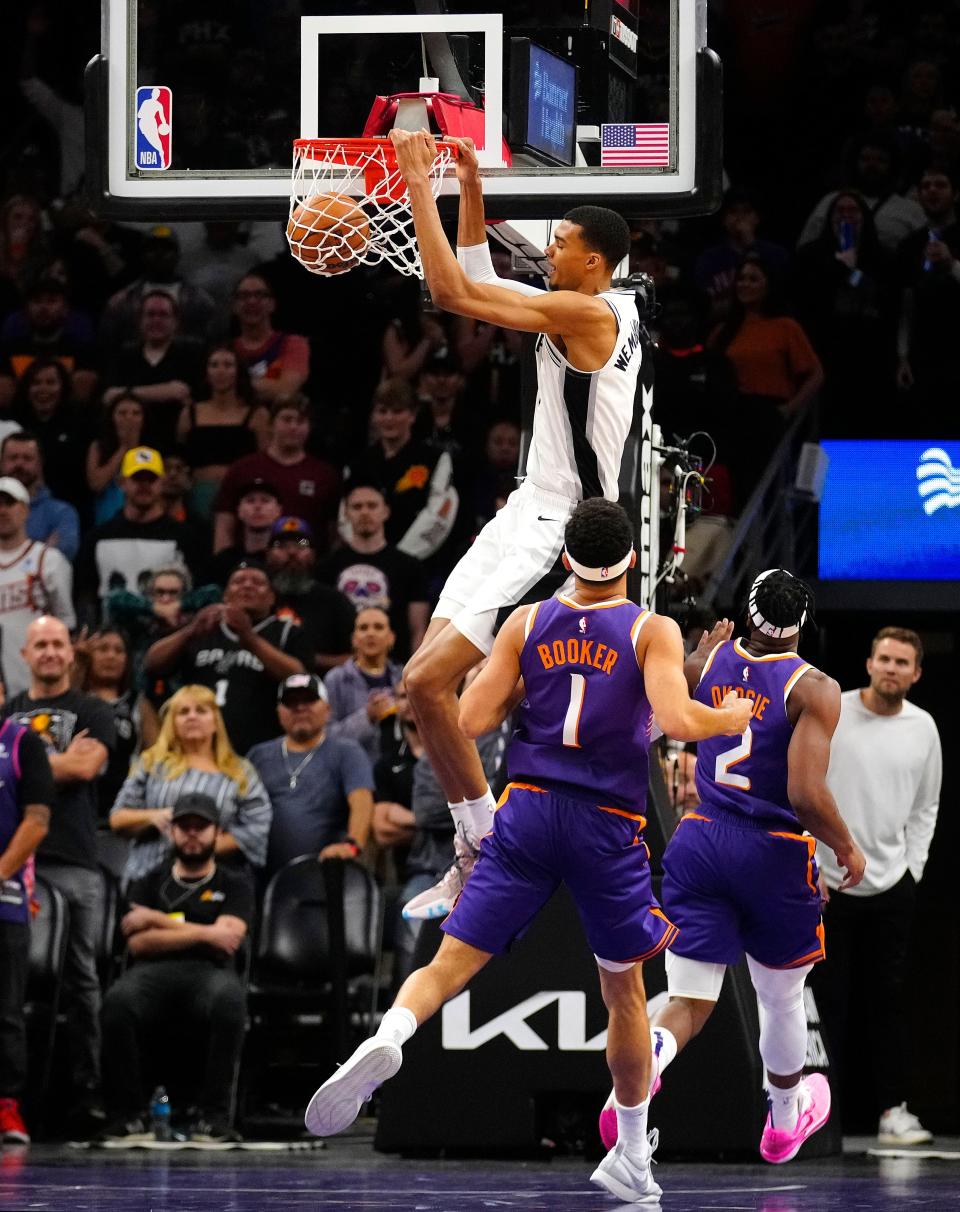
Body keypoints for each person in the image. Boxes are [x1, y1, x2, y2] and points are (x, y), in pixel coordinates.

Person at [303, 499, 753, 1205]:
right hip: (605, 826)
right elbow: (675, 721)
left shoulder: (527, 620)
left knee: (450, 961)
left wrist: (524, 693)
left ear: (565, 557)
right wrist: (728, 714)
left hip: (529, 810)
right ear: (632, 558)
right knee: (625, 995)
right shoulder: (649, 627)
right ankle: (631, 1155)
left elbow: (470, 719)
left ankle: (390, 1033)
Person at [386, 131, 649, 921]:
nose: (549, 250)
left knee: (427, 685)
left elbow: (454, 294)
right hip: (525, 507)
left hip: (563, 529)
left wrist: (416, 187)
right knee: (419, 686)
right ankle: (480, 839)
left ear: (592, 263)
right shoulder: (625, 297)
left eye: (561, 244)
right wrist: (469, 186)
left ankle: (481, 850)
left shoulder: (583, 313)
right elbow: (482, 275)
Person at [598, 570, 866, 1167]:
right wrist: (844, 845)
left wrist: (696, 657)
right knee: (781, 998)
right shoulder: (814, 688)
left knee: (688, 995)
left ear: (746, 615)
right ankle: (785, 1121)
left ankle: (633, 1086)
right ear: (803, 624)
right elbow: (803, 793)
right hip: (771, 849)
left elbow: (655, 700)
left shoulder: (708, 661)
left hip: (701, 837)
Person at [814, 627, 941, 1146]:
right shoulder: (834, 711)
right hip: (827, 884)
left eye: (901, 662)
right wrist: (812, 865)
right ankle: (823, 1118)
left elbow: (926, 806)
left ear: (916, 673)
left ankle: (892, 1112)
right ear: (868, 663)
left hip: (892, 887)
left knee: (886, 1002)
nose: (891, 668)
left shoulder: (924, 729)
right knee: (825, 1002)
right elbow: (805, 784)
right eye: (884, 658)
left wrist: (912, 869)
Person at [3, 616, 116, 1122]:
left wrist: (24, 762)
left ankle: (86, 1090)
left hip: (71, 862)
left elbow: (86, 767)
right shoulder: (9, 710)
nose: (49, 652)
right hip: (13, 865)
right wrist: (58, 760)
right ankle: (21, 1097)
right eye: (39, 645)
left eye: (57, 644)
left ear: (72, 654)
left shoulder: (94, 709)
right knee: (9, 983)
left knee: (81, 979)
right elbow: (67, 766)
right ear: (23, 655)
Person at [99, 792, 253, 1143]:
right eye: (185, 826)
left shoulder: (234, 883)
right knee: (117, 1002)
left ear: (217, 832)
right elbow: (138, 943)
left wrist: (156, 920)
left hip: (210, 973)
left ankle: (212, 1117)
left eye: (201, 827)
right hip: (152, 971)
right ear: (172, 832)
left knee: (230, 1002)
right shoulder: (150, 880)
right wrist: (206, 932)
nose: (193, 834)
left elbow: (229, 940)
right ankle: (130, 1115)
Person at [109, 684, 271, 886]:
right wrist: (154, 816)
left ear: (215, 722)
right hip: (150, 877)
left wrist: (200, 848)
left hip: (218, 881)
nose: (192, 717)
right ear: (172, 722)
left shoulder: (240, 771)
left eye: (201, 711)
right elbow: (118, 818)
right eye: (183, 712)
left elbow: (257, 827)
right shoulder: (152, 763)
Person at [142, 563, 312, 756]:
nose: (247, 586)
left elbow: (299, 677)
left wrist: (249, 639)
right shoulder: (202, 629)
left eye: (258, 583)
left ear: (271, 598)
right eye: (238, 582)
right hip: (199, 749)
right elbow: (152, 664)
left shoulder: (286, 631)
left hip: (262, 750)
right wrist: (189, 631)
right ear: (225, 596)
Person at [708, 254, 823, 508]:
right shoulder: (724, 330)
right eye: (741, 279)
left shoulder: (785, 327)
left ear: (768, 285)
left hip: (769, 416)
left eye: (753, 279)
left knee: (767, 488)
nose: (745, 284)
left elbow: (815, 373)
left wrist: (788, 409)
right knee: (737, 488)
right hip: (732, 418)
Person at [248, 673, 374, 879]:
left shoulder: (347, 751)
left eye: (309, 700)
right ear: (279, 712)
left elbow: (362, 801)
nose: (300, 708)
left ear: (327, 708)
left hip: (327, 873)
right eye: (291, 702)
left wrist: (352, 846)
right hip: (264, 877)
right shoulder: (258, 755)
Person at [0, 712, 55, 1145]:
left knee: (5, 1008)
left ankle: (6, 1105)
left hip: (7, 897)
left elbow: (36, 820)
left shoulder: (21, 743)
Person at [75, 447, 203, 623]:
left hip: (165, 634)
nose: (144, 485)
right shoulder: (98, 537)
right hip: (110, 639)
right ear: (121, 482)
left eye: (151, 479)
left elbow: (195, 592)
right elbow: (85, 593)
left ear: (162, 482)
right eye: (137, 478)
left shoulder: (184, 536)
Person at [345, 377, 459, 565]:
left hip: (418, 560)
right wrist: (367, 550)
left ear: (412, 415)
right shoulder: (359, 462)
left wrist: (399, 558)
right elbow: (347, 512)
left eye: (397, 411)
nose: (389, 418)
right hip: (365, 560)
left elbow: (438, 513)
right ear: (374, 415)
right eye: (383, 411)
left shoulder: (434, 459)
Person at [213, 394, 340, 554]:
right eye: (286, 420)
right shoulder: (243, 469)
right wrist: (222, 563)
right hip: (251, 564)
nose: (293, 426)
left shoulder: (325, 475)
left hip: (306, 562)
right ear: (271, 425)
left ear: (309, 427)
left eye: (300, 421)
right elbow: (224, 526)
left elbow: (334, 534)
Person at [323, 480, 429, 661]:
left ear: (385, 511)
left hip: (395, 670)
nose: (364, 512)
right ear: (346, 513)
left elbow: (418, 630)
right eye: (357, 507)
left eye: (372, 506)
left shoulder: (410, 566)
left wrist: (411, 675)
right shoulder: (327, 566)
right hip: (339, 672)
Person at [101, 289, 205, 454]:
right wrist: (166, 391)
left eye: (163, 315)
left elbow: (183, 393)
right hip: (129, 446)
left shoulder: (192, 355)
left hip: (176, 447)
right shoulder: (124, 356)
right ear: (139, 320)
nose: (156, 320)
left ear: (176, 322)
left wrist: (127, 393)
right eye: (150, 314)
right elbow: (108, 397)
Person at [894, 167, 960, 424]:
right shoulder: (909, 244)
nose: (932, 190)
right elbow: (905, 305)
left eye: (941, 185)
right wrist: (903, 356)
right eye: (926, 186)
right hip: (925, 355)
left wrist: (952, 264)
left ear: (956, 194)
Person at [0, 474, 74, 697]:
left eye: (9, 503)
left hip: (37, 681)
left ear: (25, 510)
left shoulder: (48, 560)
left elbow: (66, 621)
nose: (2, 511)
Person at [176, 344, 270, 518]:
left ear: (238, 371)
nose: (220, 371)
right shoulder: (190, 413)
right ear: (207, 372)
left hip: (241, 492)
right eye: (214, 365)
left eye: (227, 365)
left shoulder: (257, 414)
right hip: (198, 493)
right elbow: (180, 456)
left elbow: (265, 460)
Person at [263, 517, 356, 672]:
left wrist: (308, 659)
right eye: (281, 546)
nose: (292, 552)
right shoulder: (256, 598)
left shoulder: (334, 601)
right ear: (267, 554)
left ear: (313, 554)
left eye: (302, 545)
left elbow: (359, 657)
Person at [71, 627, 144, 825]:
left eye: (119, 650)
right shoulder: (75, 698)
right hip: (75, 810)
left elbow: (154, 754)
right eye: (102, 649)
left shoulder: (138, 703)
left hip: (121, 813)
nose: (111, 656)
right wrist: (77, 664)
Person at [0, 275, 98, 410]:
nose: (43, 308)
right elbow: (4, 398)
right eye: (37, 301)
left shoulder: (81, 349)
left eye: (51, 301)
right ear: (26, 309)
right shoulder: (10, 349)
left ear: (65, 308)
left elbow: (80, 398)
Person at [324, 607, 403, 763]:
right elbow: (325, 737)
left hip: (398, 772)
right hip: (351, 769)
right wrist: (367, 717)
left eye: (378, 627)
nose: (370, 633)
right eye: (363, 628)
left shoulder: (404, 677)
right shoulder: (336, 679)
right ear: (354, 639)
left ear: (391, 638)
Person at [0, 428, 80, 560]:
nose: (19, 464)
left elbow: (59, 557)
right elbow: (46, 556)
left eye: (27, 458)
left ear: (40, 463)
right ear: (1, 463)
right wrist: (42, 548)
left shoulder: (61, 513)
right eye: (13, 458)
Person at [231, 273, 310, 406]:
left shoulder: (293, 344)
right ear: (234, 306)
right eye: (244, 296)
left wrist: (236, 385)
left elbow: (286, 390)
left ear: (272, 304)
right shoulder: (226, 349)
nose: (252, 301)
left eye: (260, 295)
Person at [85, 394, 146, 525]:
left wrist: (134, 447)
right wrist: (123, 448)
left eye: (136, 413)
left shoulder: (151, 450)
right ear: (112, 417)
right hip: (107, 522)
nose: (129, 418)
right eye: (122, 413)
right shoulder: (98, 447)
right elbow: (96, 484)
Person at [210, 477, 283, 586]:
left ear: (278, 511)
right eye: (250, 500)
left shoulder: (283, 561)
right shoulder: (223, 561)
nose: (257, 506)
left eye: (265, 500)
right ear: (239, 510)